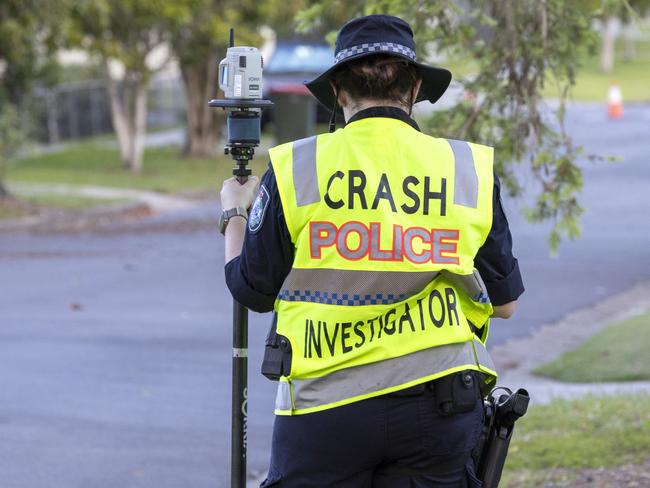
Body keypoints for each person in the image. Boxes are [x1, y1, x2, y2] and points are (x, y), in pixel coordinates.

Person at [220, 14, 524, 488]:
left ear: (339, 93)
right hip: (439, 406)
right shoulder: (466, 168)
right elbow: (504, 303)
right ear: (415, 88)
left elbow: (252, 290)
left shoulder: (298, 167)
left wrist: (233, 215)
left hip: (325, 411)